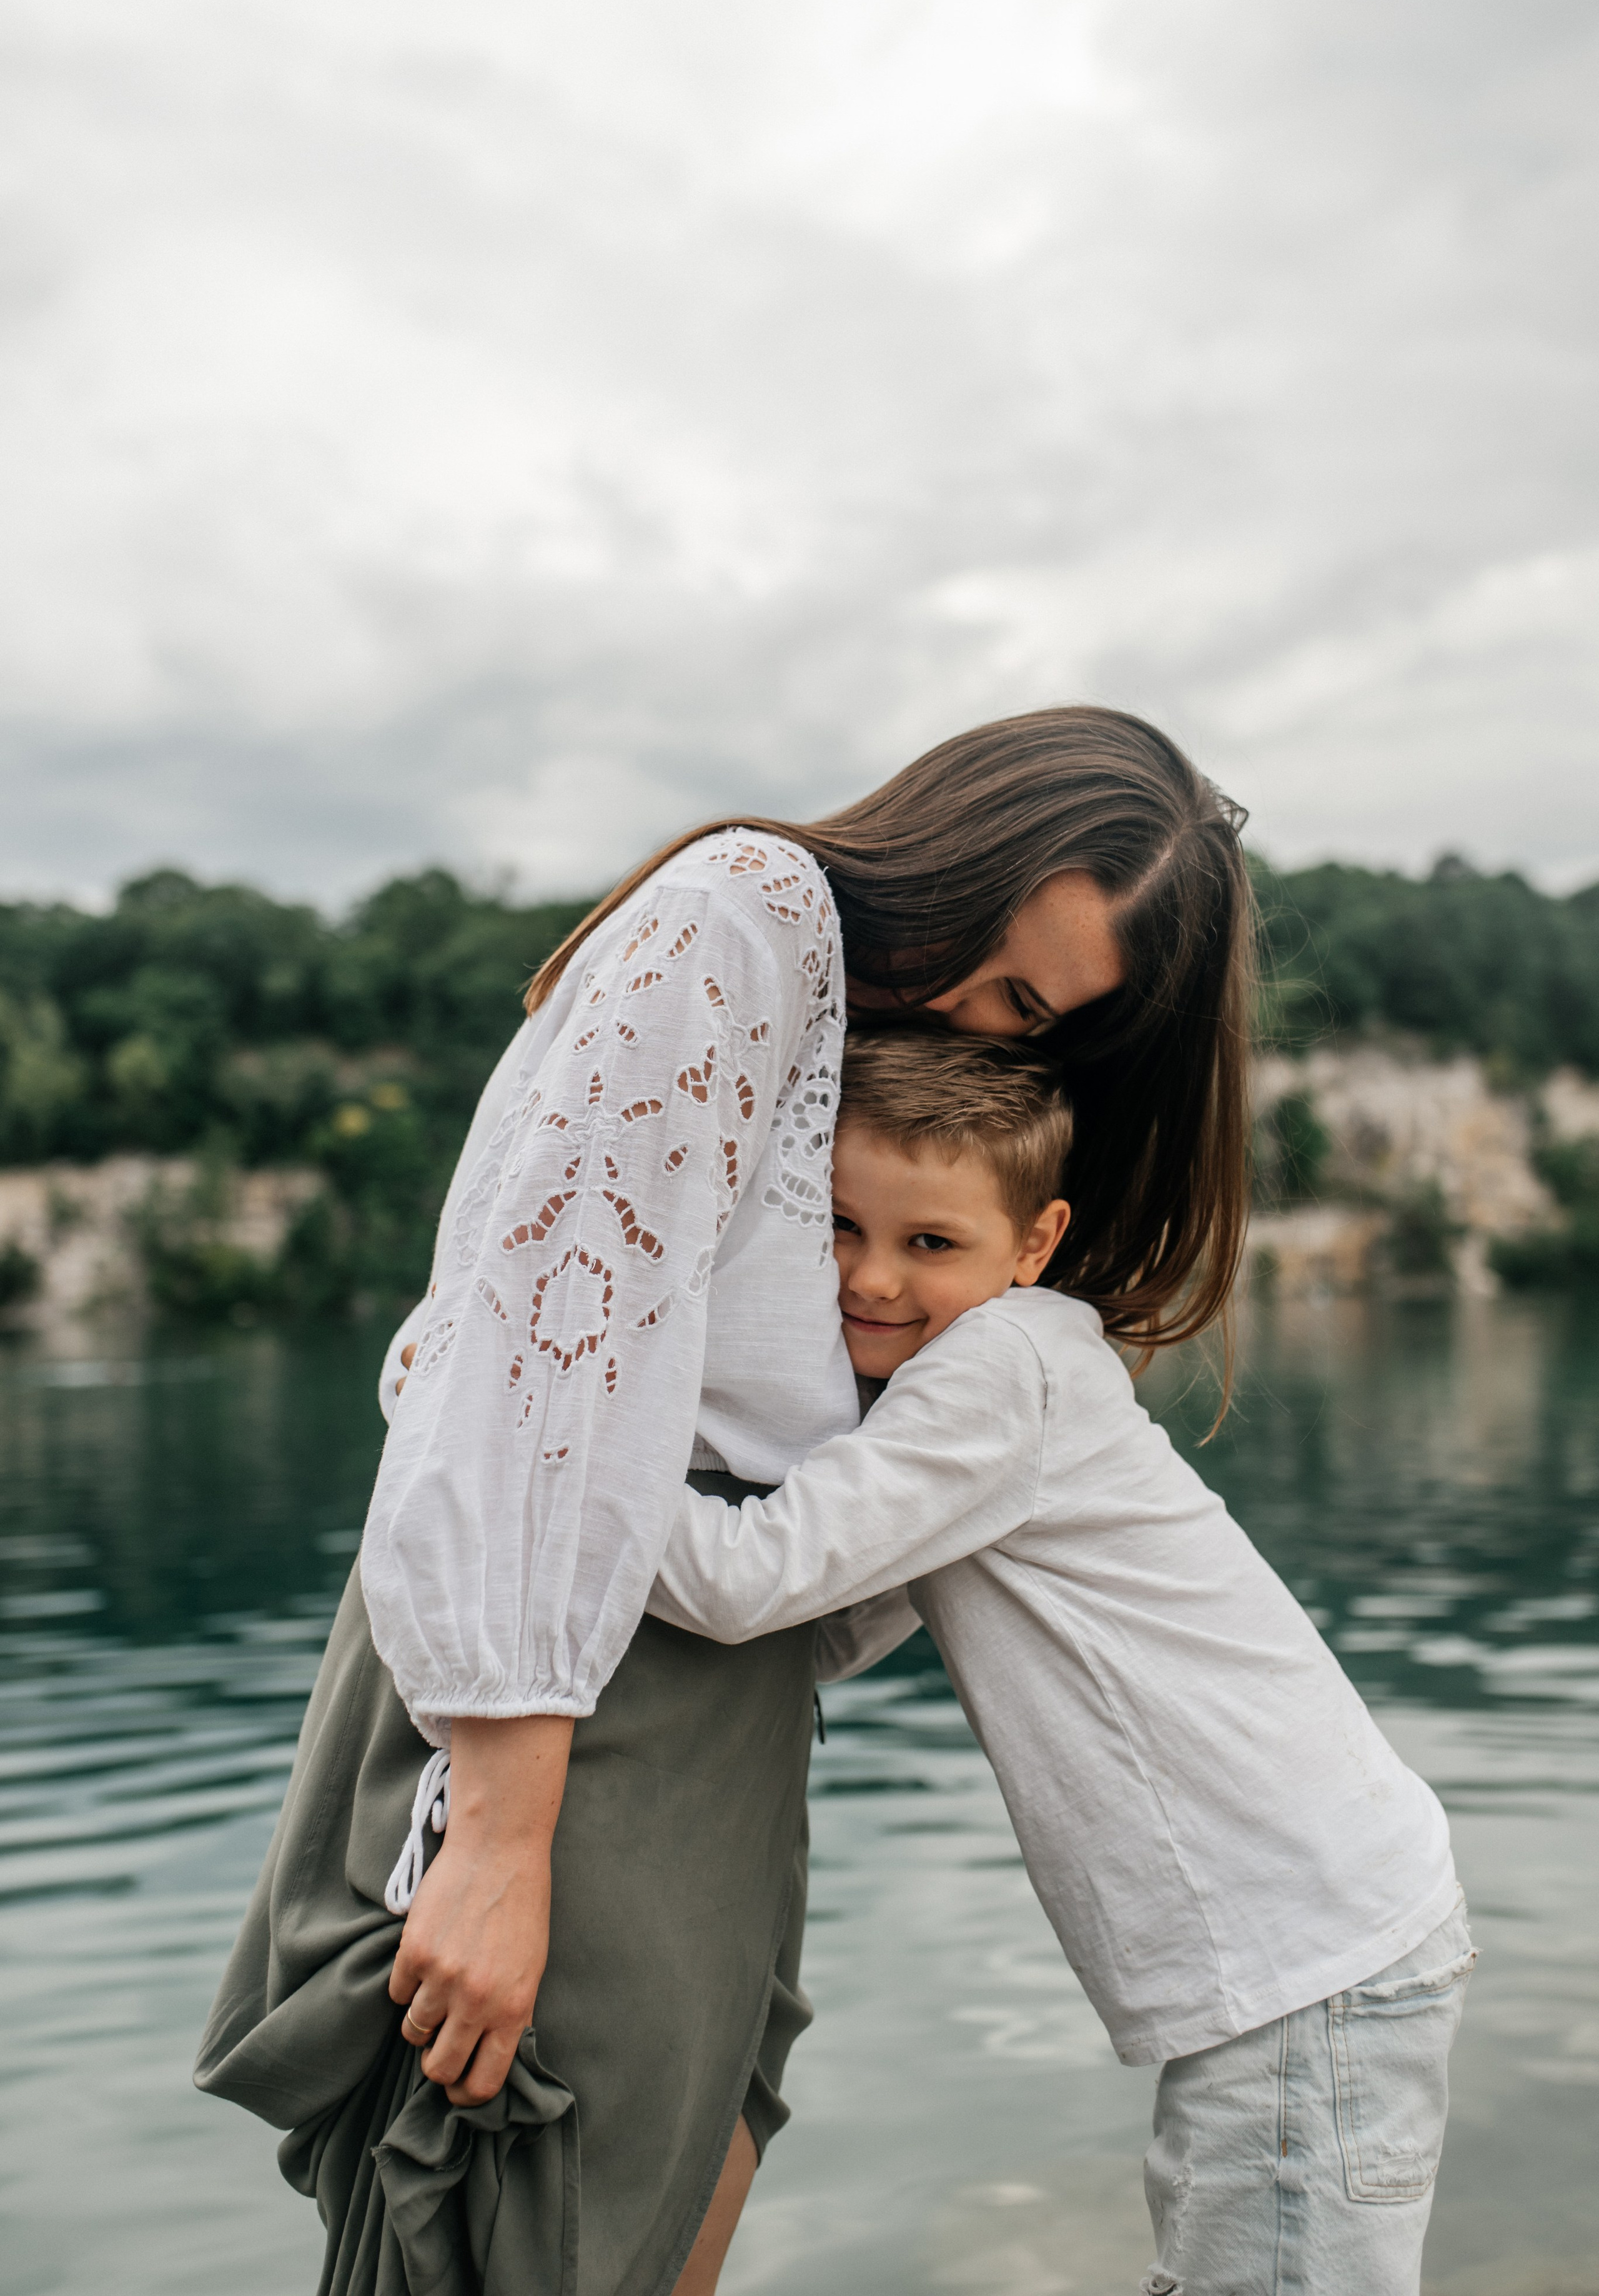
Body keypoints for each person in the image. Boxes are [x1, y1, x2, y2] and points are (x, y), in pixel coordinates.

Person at [197, 706, 1258, 2296]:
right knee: (536, 2200)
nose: (963, 1013)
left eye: (1025, 1018)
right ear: (945, 838)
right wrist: (496, 1833)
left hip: (705, 1677)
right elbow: (552, 1347)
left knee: (682, 2175)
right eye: (981, 954)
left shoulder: (832, 1000)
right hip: (560, 1667)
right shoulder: (744, 916)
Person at [651, 1027, 1473, 2296]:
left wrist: (535, 1428)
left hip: (1305, 1949)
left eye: (931, 1242)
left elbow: (742, 1580)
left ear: (1031, 1243)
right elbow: (814, 1627)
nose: (869, 1278)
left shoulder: (1001, 1368)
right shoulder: (985, 1375)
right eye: (835, 1226)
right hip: (1318, 1932)